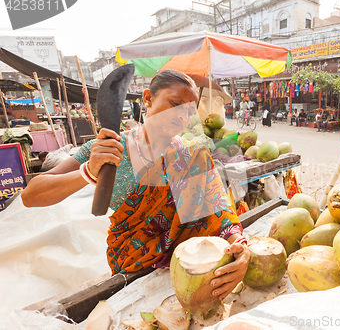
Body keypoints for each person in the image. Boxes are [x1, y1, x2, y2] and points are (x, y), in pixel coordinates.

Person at [21, 70, 250, 301]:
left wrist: (239, 248)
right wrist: (89, 171)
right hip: (133, 263)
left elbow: (219, 215)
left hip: (191, 264)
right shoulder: (107, 148)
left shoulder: (192, 156)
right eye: (175, 103)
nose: (182, 116)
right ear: (148, 98)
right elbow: (30, 196)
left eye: (189, 111)